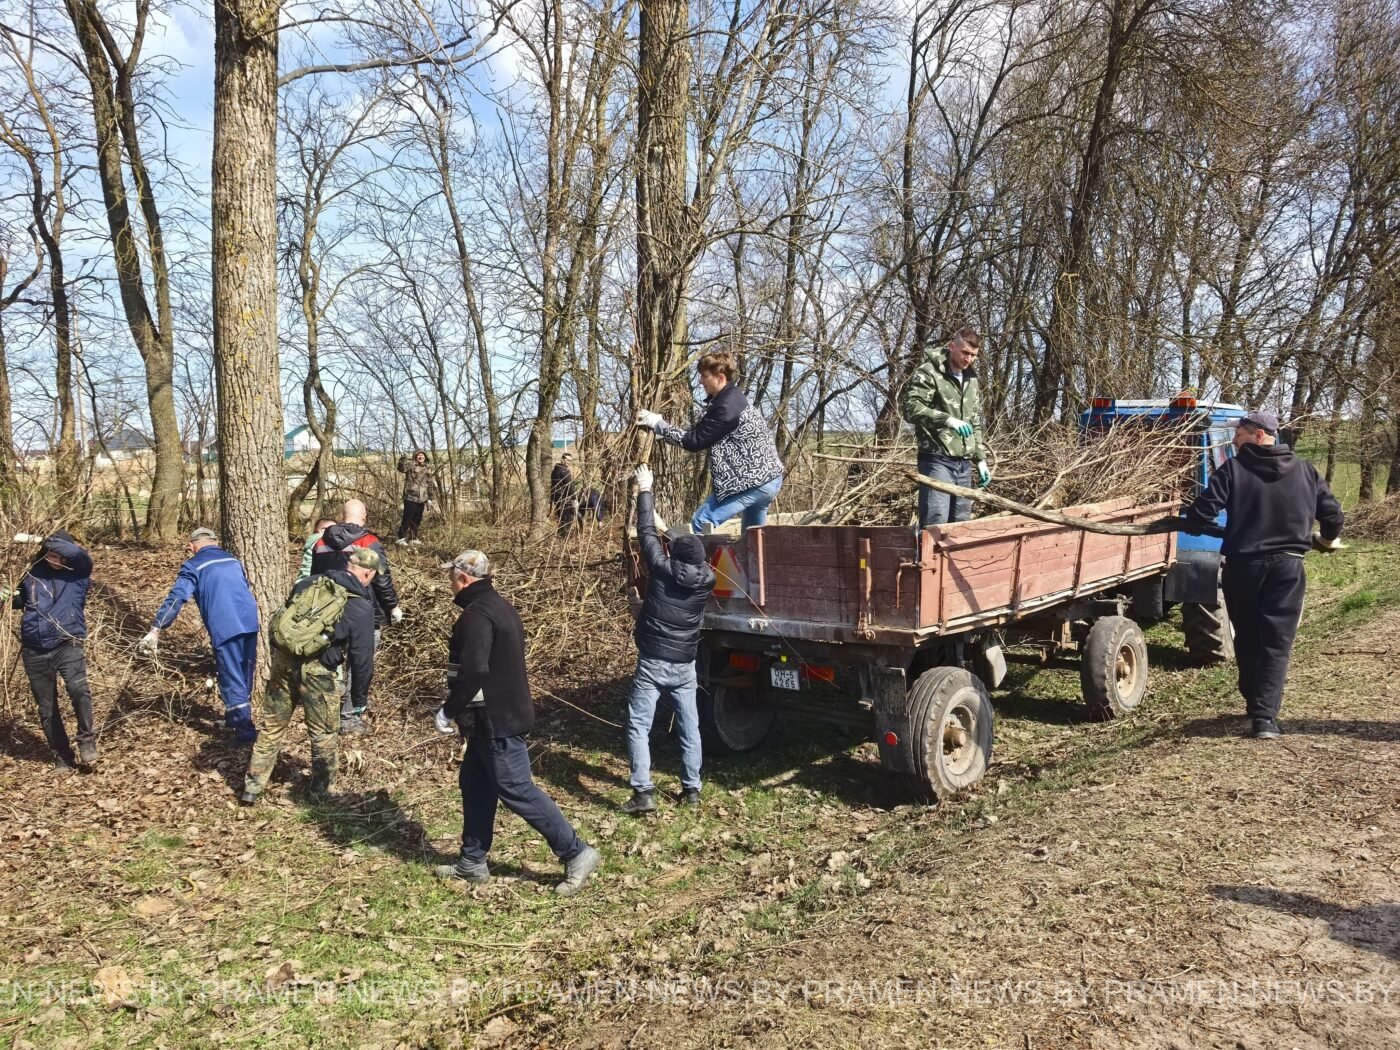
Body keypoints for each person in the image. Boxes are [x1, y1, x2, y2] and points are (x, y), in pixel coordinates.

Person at [432, 550, 602, 897]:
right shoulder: (499, 606)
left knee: (516, 788)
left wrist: (449, 710)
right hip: (491, 718)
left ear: (463, 578)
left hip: (496, 719)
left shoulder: (477, 616)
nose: (449, 582)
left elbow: (475, 671)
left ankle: (576, 852)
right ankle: (472, 861)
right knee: (474, 783)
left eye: (451, 577)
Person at [1181, 409, 1345, 740]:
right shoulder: (1305, 471)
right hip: (1287, 567)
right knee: (1276, 641)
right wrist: (1326, 540)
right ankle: (1264, 717)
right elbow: (1333, 516)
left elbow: (1203, 511)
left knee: (1248, 637)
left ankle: (1256, 703)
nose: (1235, 442)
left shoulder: (1233, 469)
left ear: (1258, 435)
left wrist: (1193, 521)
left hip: (1243, 568)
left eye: (1239, 435)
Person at [241, 546, 381, 804]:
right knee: (324, 733)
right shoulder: (361, 606)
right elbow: (361, 659)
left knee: (271, 727)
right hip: (318, 672)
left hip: (283, 662)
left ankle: (252, 788)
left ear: (348, 565)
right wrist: (359, 699)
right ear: (368, 573)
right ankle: (319, 795)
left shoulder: (309, 583)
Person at [621, 465, 716, 814]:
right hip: (685, 664)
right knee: (690, 727)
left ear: (673, 557)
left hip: (653, 662)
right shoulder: (707, 579)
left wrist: (645, 489)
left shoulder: (662, 570)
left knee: (638, 725)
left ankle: (643, 793)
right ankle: (692, 790)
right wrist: (667, 528)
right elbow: (678, 545)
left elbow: (644, 530)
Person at [635, 350, 785, 534]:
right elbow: (703, 432)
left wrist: (659, 425)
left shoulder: (726, 408)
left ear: (720, 378)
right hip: (769, 479)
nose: (700, 381)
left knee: (702, 522)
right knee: (753, 537)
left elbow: (695, 441)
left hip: (753, 482)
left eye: (704, 376)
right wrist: (664, 432)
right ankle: (754, 554)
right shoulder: (731, 398)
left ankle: (694, 555)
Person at [139, 528, 261, 742]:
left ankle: (245, 732)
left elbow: (177, 597)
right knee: (244, 673)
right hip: (250, 621)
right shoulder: (232, 560)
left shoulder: (194, 565)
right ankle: (235, 720)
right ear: (215, 542)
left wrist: (157, 628)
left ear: (192, 545)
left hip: (225, 625)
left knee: (231, 676)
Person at [310, 499, 402, 734]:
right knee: (360, 662)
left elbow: (315, 578)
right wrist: (392, 607)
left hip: (330, 611)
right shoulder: (368, 542)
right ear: (364, 516)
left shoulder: (321, 542)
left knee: (331, 659)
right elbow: (381, 579)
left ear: (342, 515)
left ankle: (330, 707)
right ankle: (351, 714)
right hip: (364, 610)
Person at [10, 531, 96, 770]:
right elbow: (21, 601)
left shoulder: (78, 572)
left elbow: (76, 552)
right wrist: (8, 596)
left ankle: (86, 740)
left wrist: (41, 539)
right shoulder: (31, 573)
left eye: (60, 555)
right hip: (34, 648)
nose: (55, 560)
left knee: (79, 690)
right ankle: (62, 756)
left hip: (67, 642)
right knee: (46, 707)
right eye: (51, 555)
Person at [901, 327, 990, 528]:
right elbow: (911, 409)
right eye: (965, 352)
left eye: (973, 355)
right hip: (937, 459)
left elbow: (974, 421)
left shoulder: (971, 379)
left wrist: (980, 459)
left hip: (964, 463)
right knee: (936, 521)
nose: (968, 359)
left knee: (961, 525)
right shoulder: (929, 372)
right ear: (952, 346)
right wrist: (947, 420)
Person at [395, 451, 435, 546]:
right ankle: (401, 538)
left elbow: (430, 484)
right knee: (407, 518)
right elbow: (401, 468)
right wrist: (403, 459)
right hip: (410, 496)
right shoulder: (410, 465)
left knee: (417, 519)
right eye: (419, 455)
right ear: (415, 457)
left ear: (425, 457)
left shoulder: (428, 468)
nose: (420, 457)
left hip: (422, 498)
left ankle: (413, 538)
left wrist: (430, 498)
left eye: (422, 455)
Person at [299, 517, 336, 581]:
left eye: (334, 528)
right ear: (317, 530)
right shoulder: (316, 542)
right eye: (325, 529)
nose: (330, 531)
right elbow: (307, 568)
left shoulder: (338, 543)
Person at [549, 452, 578, 535]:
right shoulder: (564, 471)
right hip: (564, 498)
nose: (569, 462)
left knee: (561, 518)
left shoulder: (554, 471)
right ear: (562, 460)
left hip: (557, 498)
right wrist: (574, 499)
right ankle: (564, 537)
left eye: (570, 460)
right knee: (567, 519)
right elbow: (569, 486)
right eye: (568, 460)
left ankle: (560, 536)